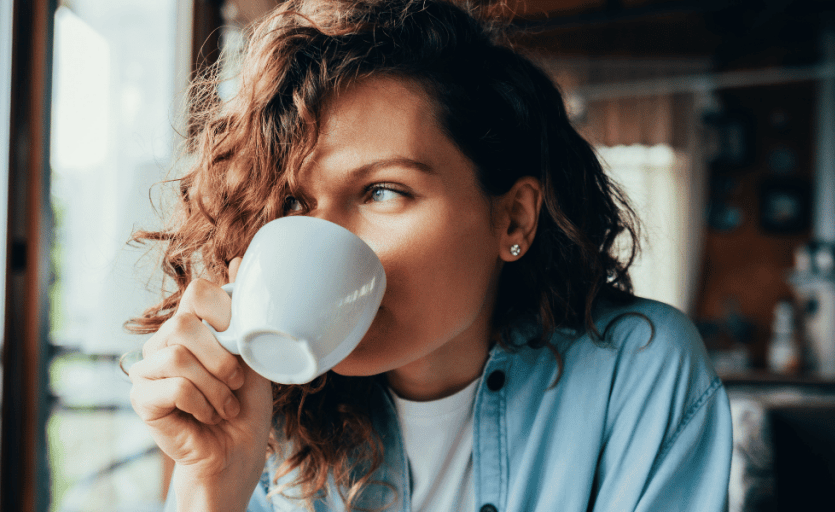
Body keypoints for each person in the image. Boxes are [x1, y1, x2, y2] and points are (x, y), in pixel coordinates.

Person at [125, 0, 733, 511]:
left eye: (383, 191)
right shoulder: (268, 407)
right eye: (293, 201)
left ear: (513, 217)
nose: (324, 239)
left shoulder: (637, 371)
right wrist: (210, 483)